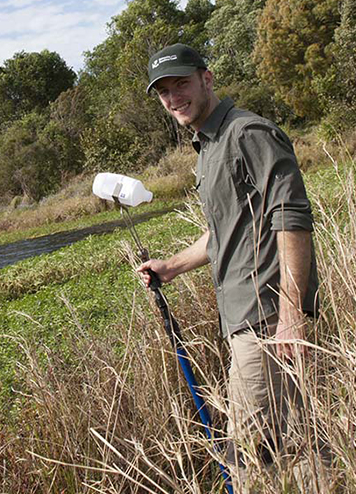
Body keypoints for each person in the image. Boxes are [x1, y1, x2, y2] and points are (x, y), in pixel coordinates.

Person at [137, 44, 321, 492]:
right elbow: (225, 230)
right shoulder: (209, 146)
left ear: (207, 78)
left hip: (266, 319)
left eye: (180, 83)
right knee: (293, 448)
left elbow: (290, 217)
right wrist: (173, 266)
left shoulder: (247, 133)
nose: (173, 97)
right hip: (245, 320)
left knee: (248, 454)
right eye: (163, 90)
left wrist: (291, 315)